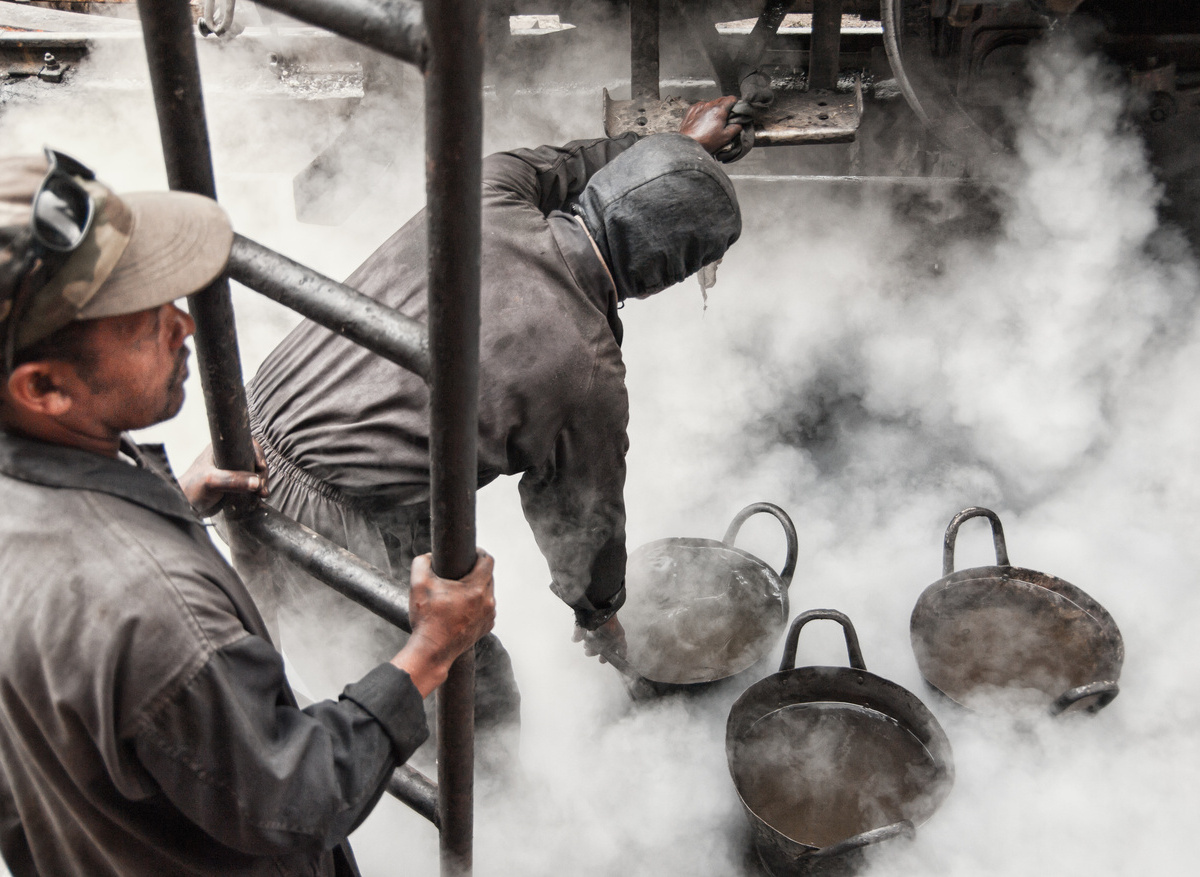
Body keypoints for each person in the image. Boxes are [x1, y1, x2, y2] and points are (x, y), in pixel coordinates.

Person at [0, 150, 496, 877]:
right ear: (42, 386)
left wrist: (176, 507)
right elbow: (292, 799)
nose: (184, 324)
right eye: (146, 321)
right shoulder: (159, 612)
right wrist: (429, 652)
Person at [214, 97, 744, 711]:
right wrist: (600, 617)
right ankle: (472, 803)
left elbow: (564, 166)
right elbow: (582, 520)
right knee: (471, 697)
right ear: (666, 274)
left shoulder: (488, 192)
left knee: (268, 657)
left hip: (240, 437)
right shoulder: (588, 372)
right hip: (338, 514)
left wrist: (672, 151)